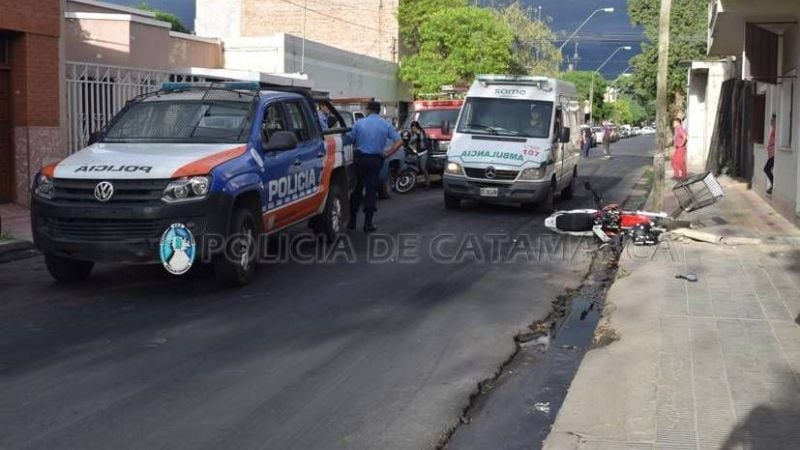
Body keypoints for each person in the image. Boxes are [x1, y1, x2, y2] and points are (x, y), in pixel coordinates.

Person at [343, 100, 403, 232]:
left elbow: (348, 139)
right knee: (371, 190)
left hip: (361, 159)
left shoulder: (359, 123)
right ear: (379, 111)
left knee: (357, 189)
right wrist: (387, 153)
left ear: (368, 110)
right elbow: (399, 141)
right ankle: (368, 223)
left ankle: (352, 222)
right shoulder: (385, 125)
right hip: (376, 160)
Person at [409, 121, 431, 190]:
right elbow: (410, 143)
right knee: (416, 168)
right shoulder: (414, 134)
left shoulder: (422, 133)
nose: (413, 129)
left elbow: (424, 141)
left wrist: (417, 135)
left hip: (424, 152)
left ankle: (428, 184)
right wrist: (413, 149)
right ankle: (412, 184)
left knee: (423, 168)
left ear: (417, 127)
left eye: (414, 128)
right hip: (417, 153)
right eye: (412, 128)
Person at [765, 114, 776, 195]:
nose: (771, 122)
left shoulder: (776, 130)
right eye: (771, 120)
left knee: (766, 169)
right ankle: (772, 186)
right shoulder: (773, 129)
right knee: (767, 169)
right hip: (771, 154)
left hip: (774, 155)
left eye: (773, 120)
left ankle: (773, 186)